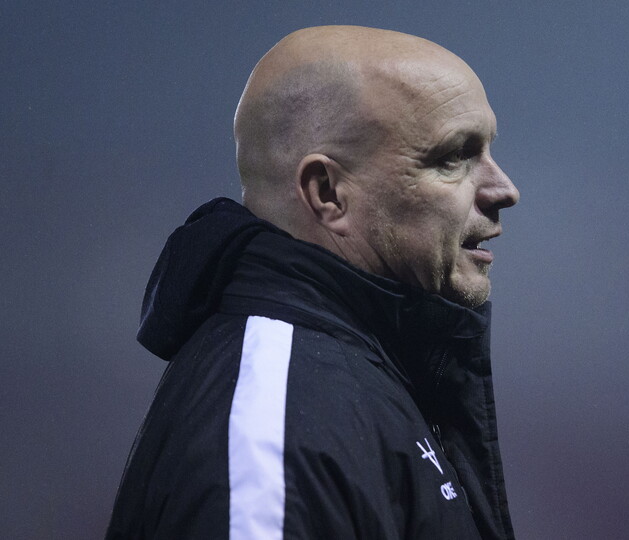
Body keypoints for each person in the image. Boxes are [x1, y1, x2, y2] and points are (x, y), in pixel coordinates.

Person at [106, 25, 519, 539]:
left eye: (487, 150)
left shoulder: (355, 373)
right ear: (327, 192)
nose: (504, 189)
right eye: (452, 158)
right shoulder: (275, 434)